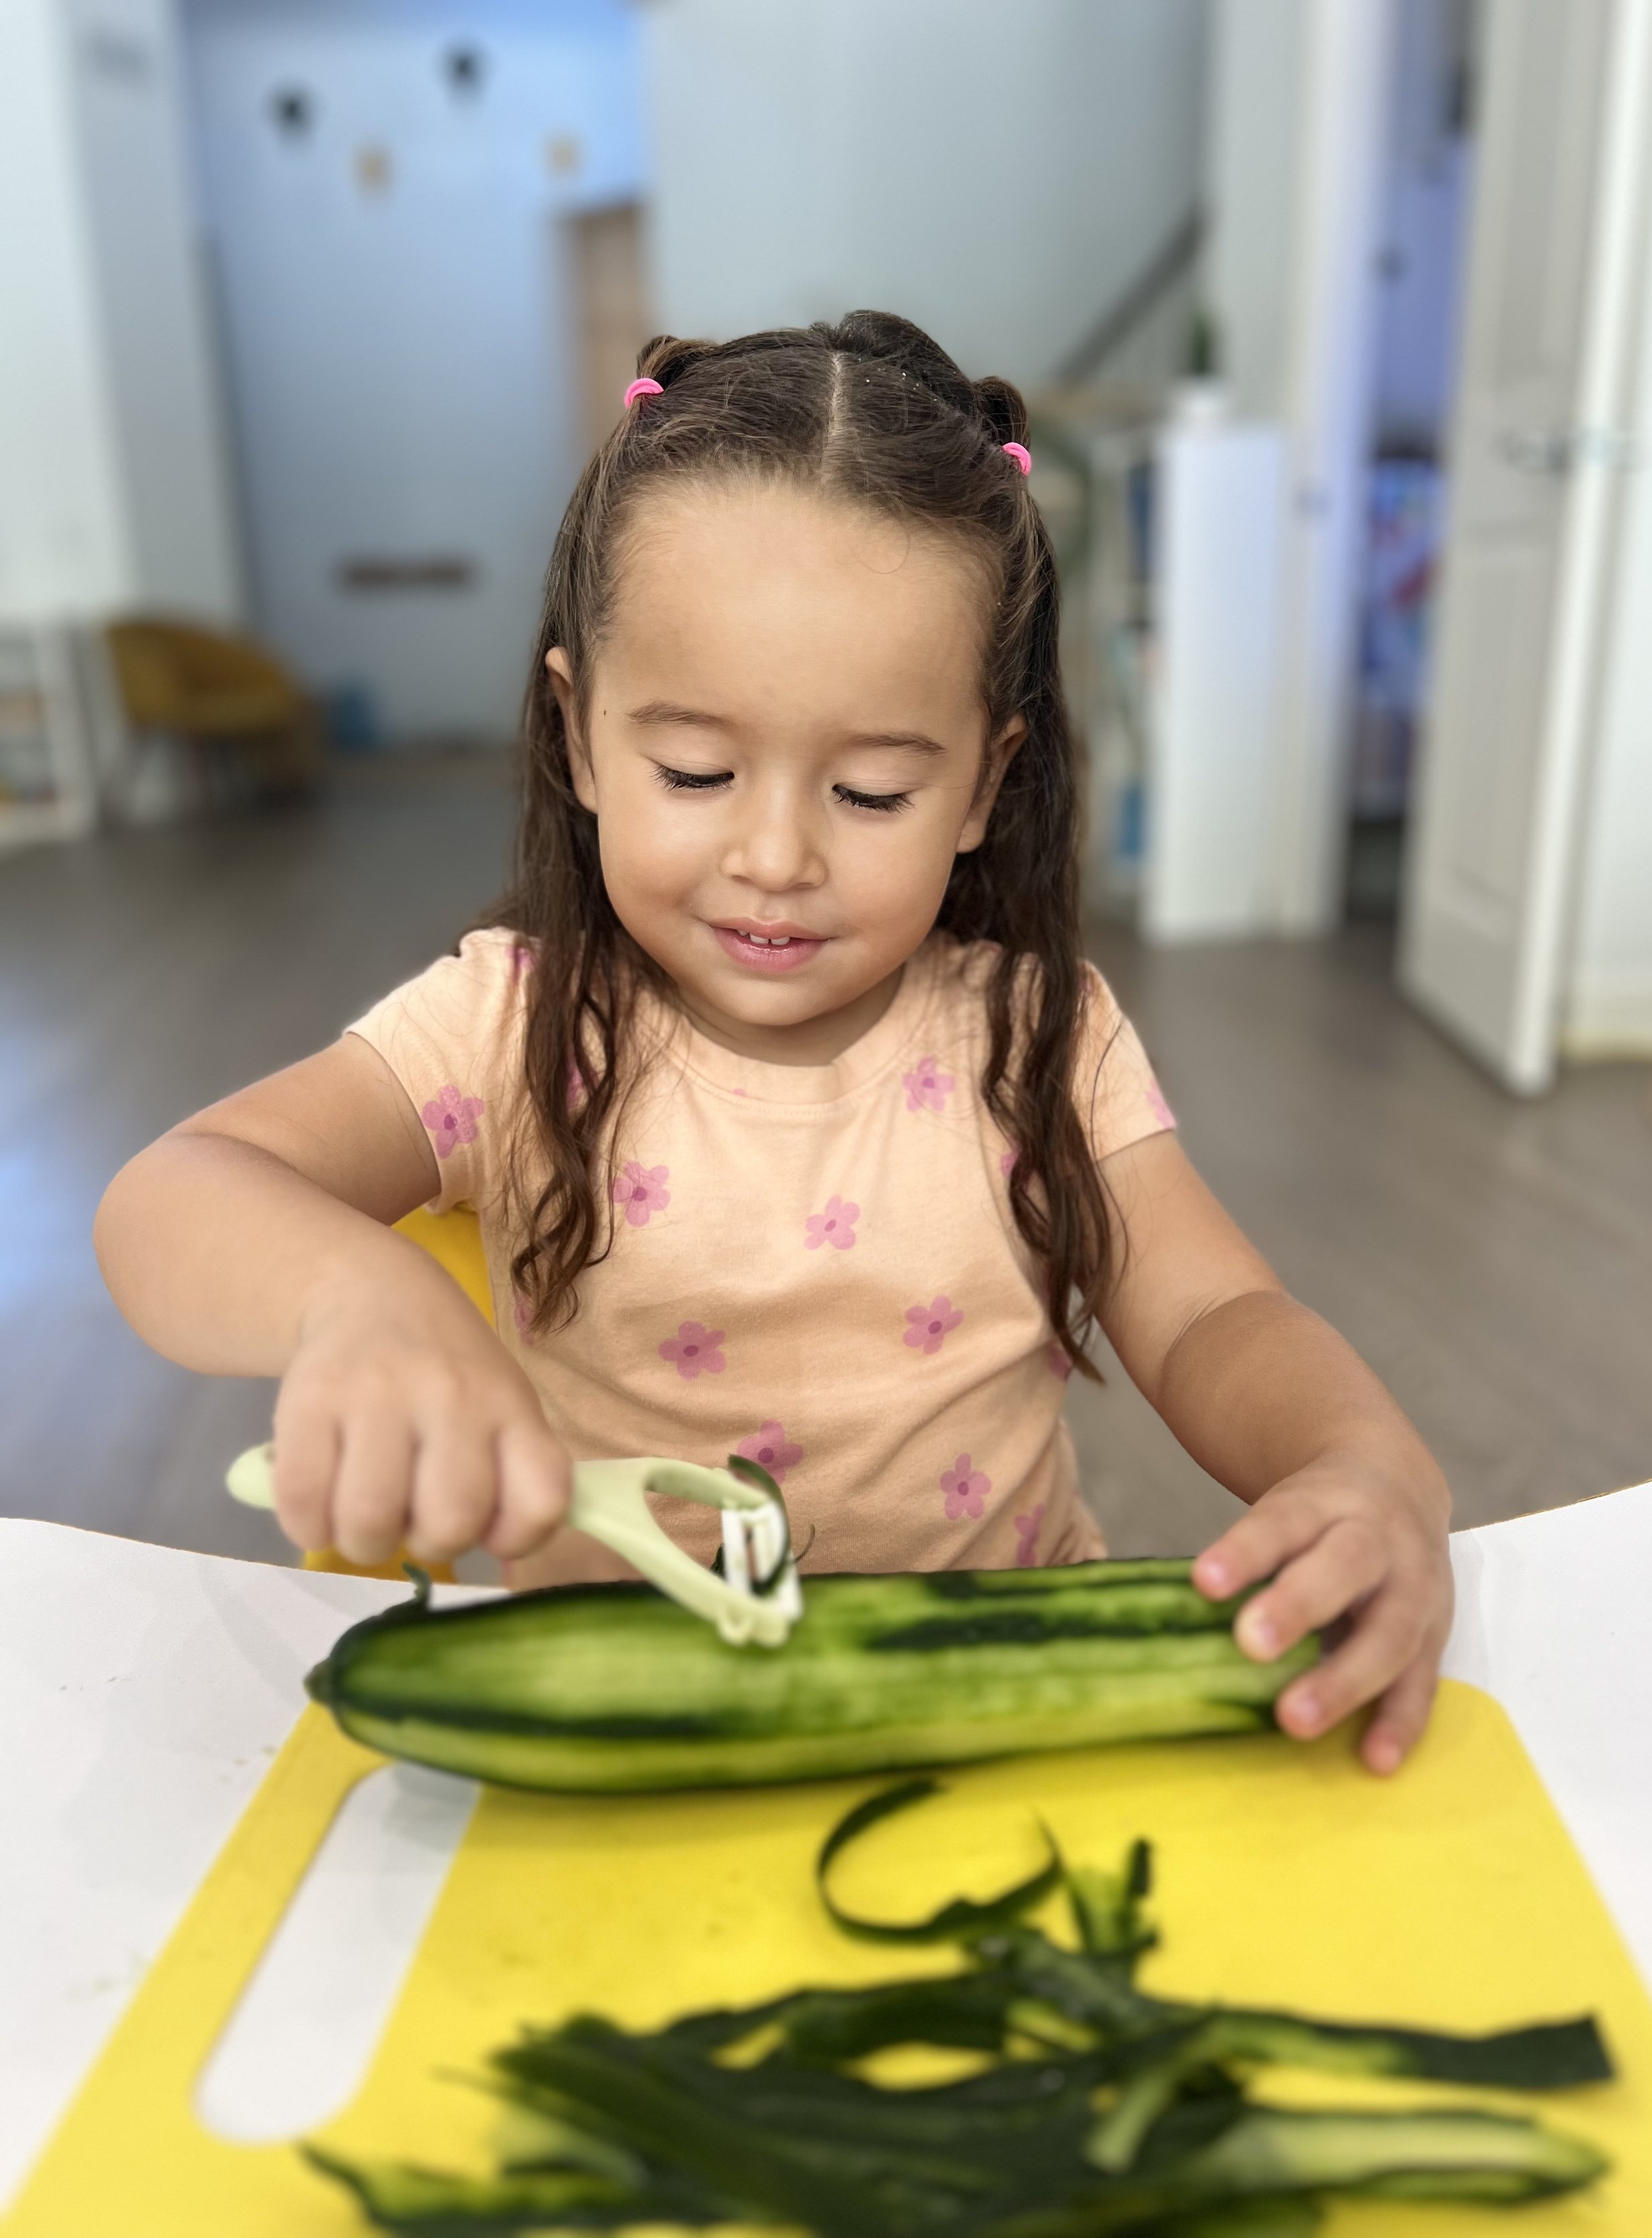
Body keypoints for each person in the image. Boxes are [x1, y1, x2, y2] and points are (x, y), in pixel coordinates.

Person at [95, 312, 1451, 1773]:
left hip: (1001, 1715)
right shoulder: (503, 1025)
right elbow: (177, 1190)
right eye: (693, 769)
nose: (773, 854)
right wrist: (351, 1295)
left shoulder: (1037, 1038)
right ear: (577, 733)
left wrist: (1362, 1465)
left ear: (985, 784)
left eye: (869, 792)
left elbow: (1206, 1319)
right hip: (636, 1737)